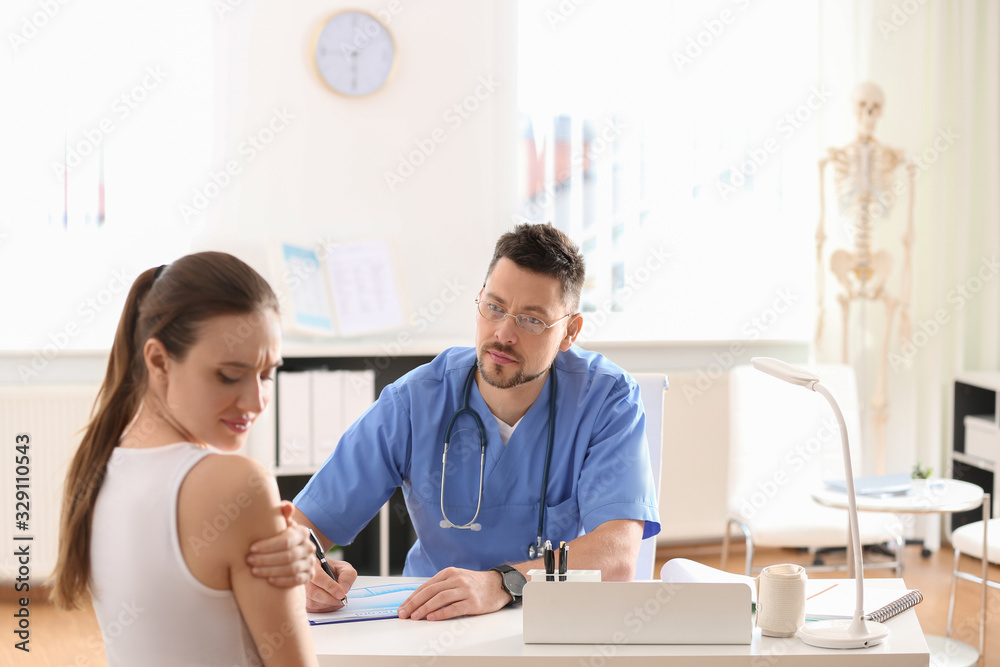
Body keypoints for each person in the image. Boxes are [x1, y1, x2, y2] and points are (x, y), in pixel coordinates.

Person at [287, 223, 661, 621]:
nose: (504, 333)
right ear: (479, 299)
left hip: (551, 616)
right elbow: (301, 526)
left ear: (569, 331)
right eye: (495, 307)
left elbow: (618, 556)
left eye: (532, 320)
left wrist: (503, 583)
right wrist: (309, 569)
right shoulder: (415, 401)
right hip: (428, 619)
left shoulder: (606, 399)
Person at [51, 252, 325, 666]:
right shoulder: (236, 484)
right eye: (229, 375)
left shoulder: (101, 466)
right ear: (159, 360)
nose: (256, 401)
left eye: (266, 374)